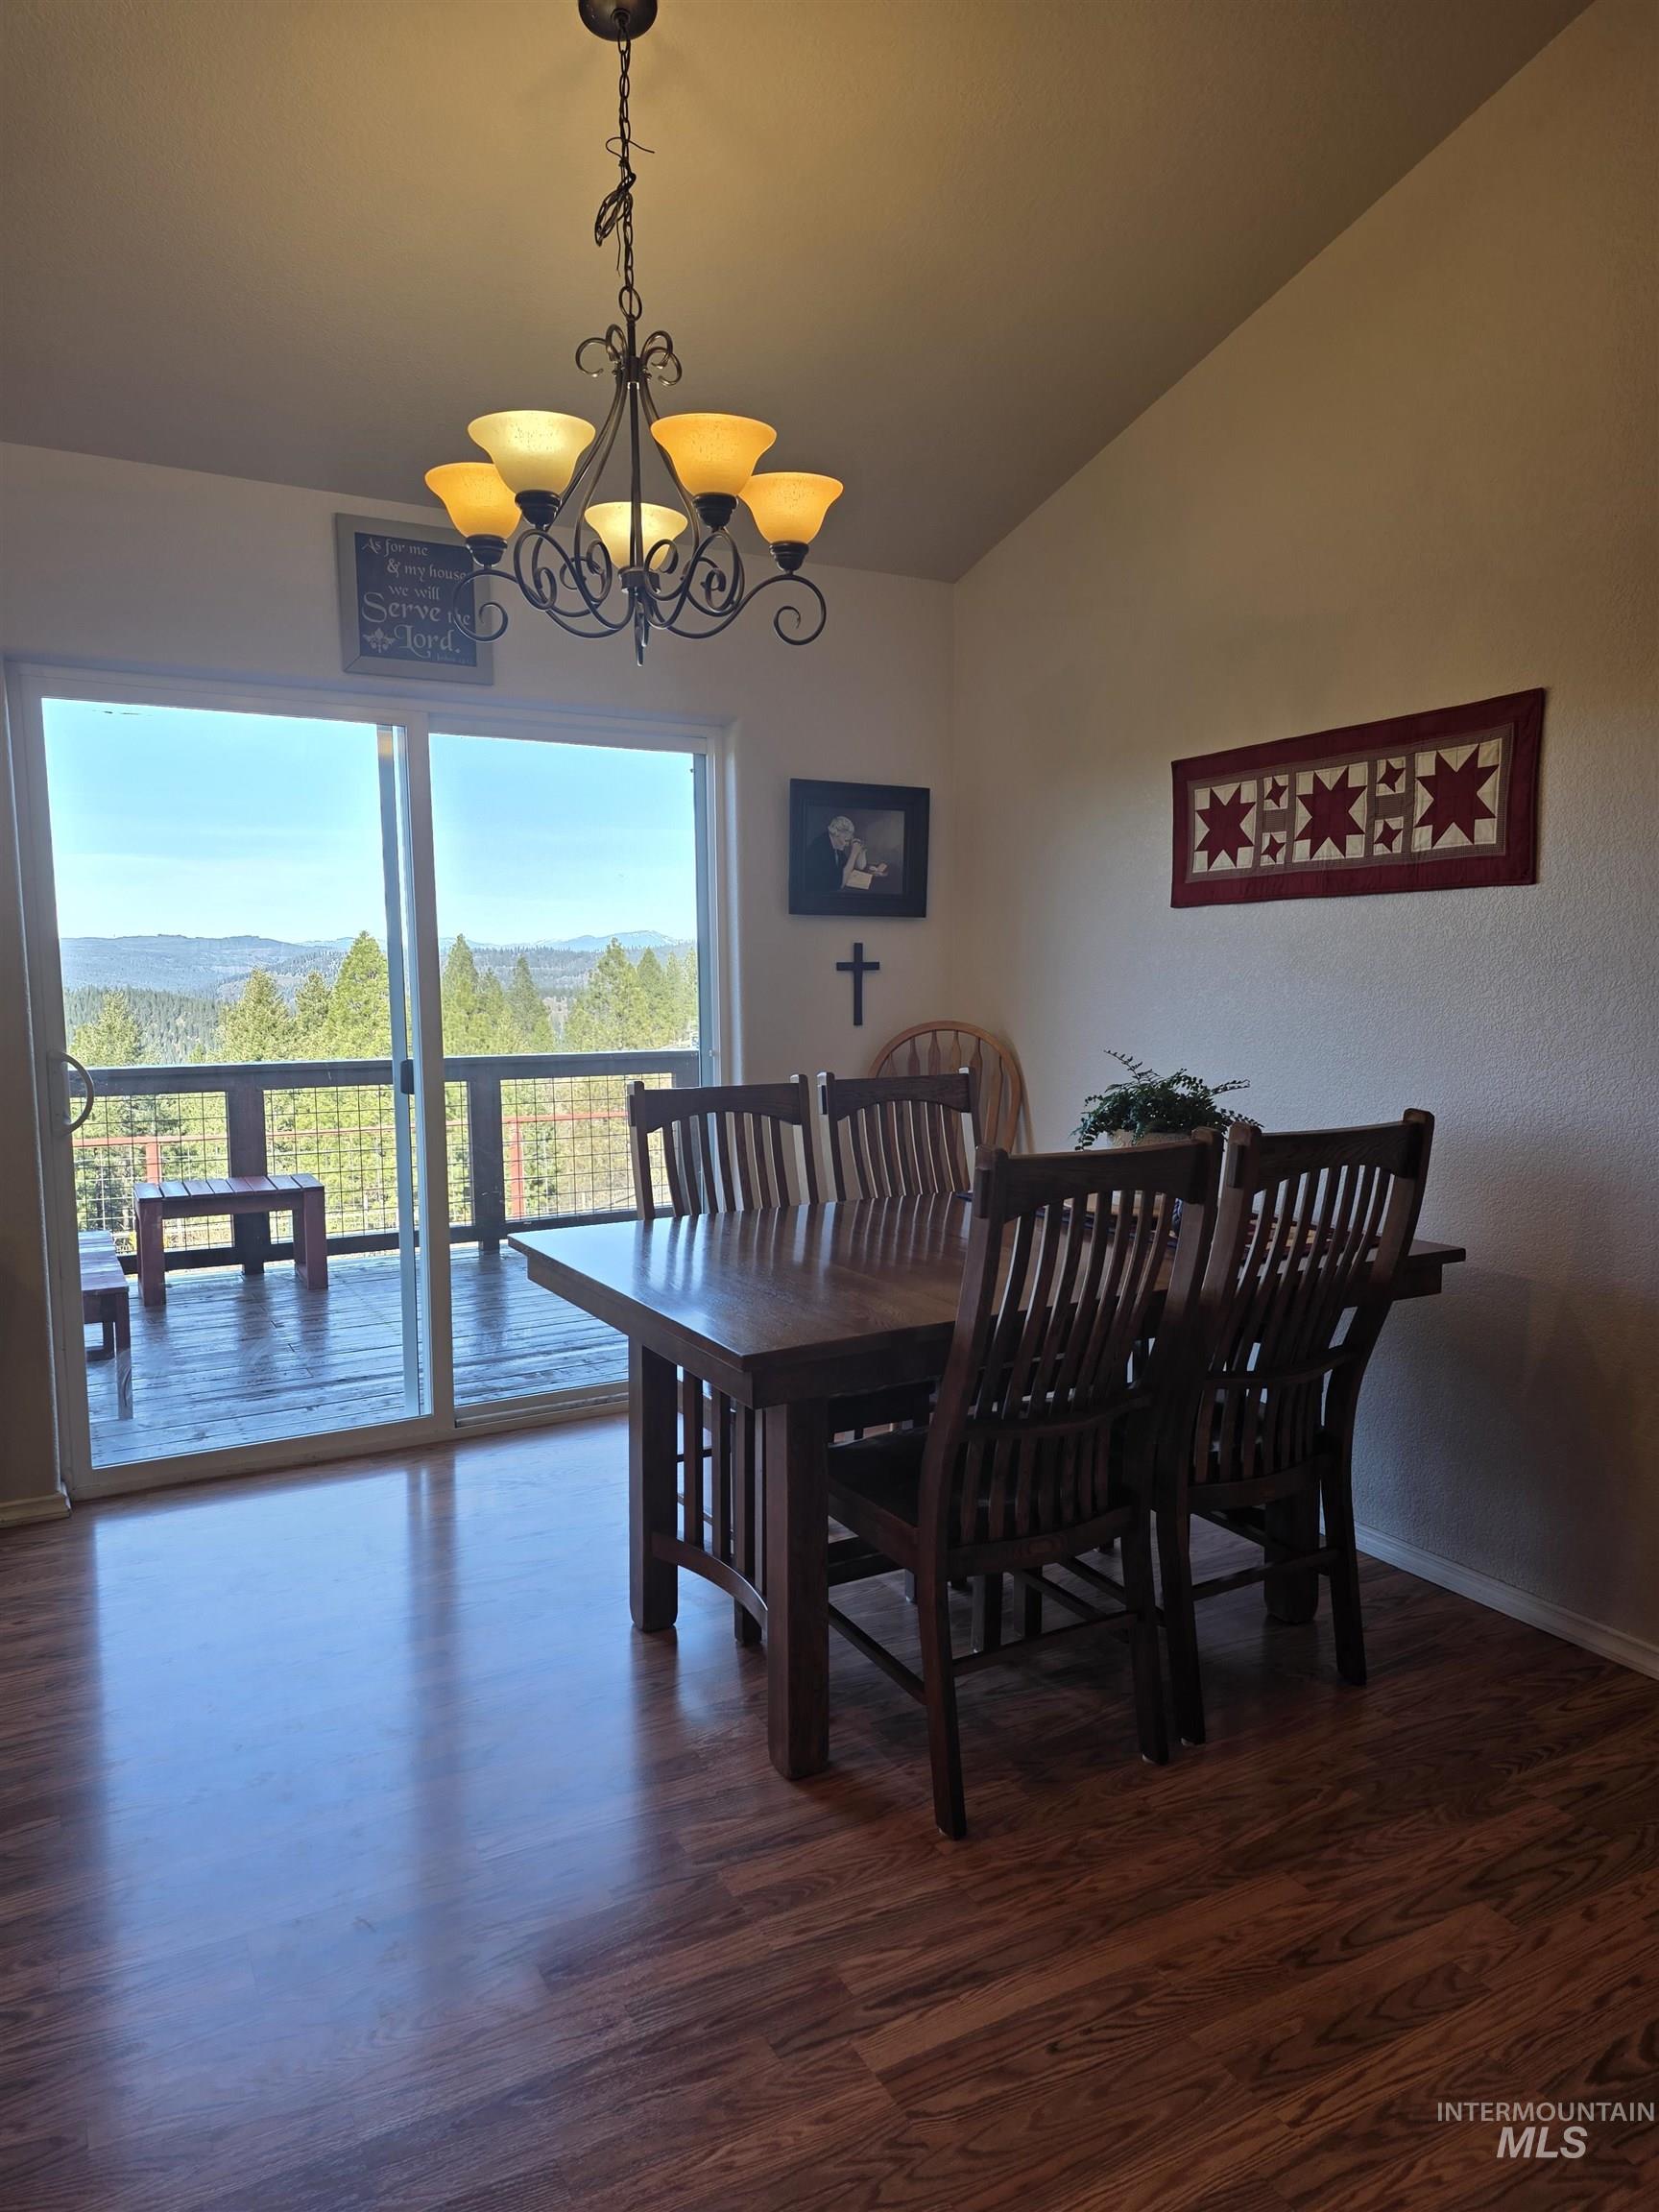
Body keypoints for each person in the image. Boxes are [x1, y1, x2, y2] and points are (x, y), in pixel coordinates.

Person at [803, 812, 888, 898]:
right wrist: (854, 853)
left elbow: (854, 867)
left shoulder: (835, 846)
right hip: (818, 896)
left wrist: (861, 852)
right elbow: (839, 884)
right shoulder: (821, 848)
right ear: (836, 834)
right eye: (846, 840)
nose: (847, 845)